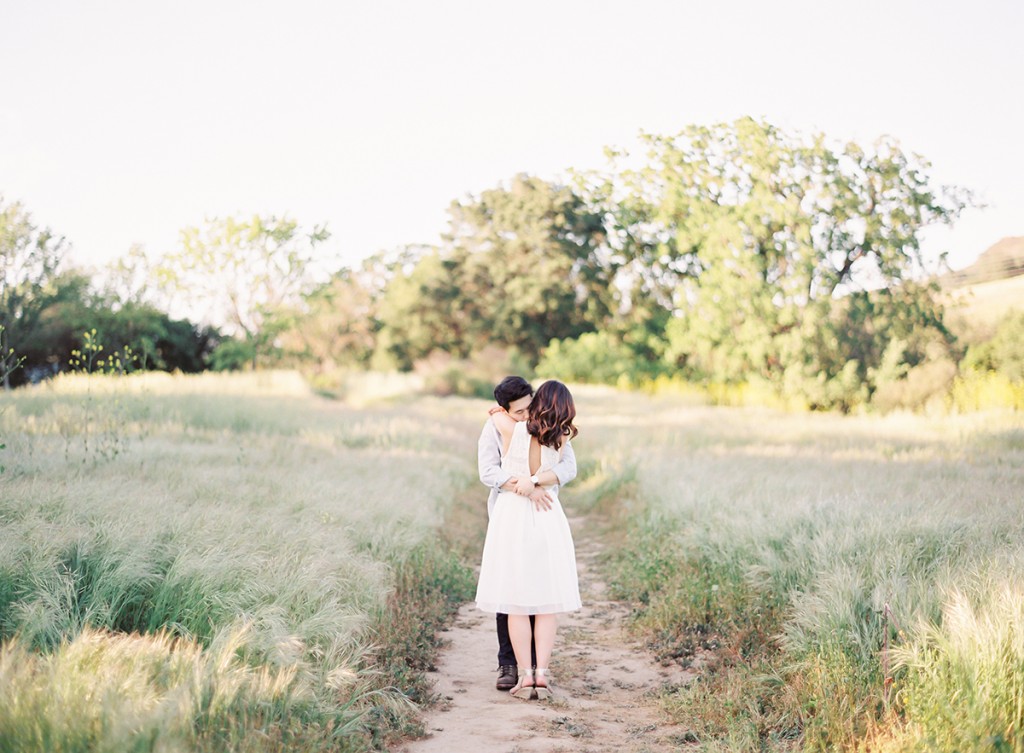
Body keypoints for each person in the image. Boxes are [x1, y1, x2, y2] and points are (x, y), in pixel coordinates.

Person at [475, 379, 582, 700]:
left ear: (538, 402)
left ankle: (526, 674)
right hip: (537, 511)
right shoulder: (558, 433)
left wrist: (531, 481)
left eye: (529, 407)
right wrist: (531, 484)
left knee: (516, 597)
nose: (524, 415)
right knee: (538, 598)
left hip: (520, 514)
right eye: (518, 411)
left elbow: (570, 469)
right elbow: (487, 472)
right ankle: (527, 670)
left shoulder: (509, 426)